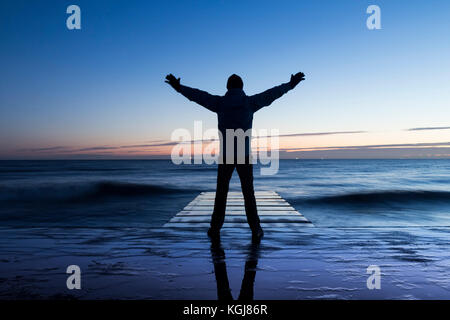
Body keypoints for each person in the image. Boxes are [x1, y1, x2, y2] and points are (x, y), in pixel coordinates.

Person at [165, 72, 305, 242]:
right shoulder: (249, 102)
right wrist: (290, 85)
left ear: (227, 87)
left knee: (221, 194)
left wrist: (179, 88)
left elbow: (199, 96)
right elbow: (271, 94)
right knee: (248, 194)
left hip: (226, 156)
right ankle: (256, 229)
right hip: (244, 156)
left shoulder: (220, 103)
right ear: (242, 87)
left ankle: (215, 229)